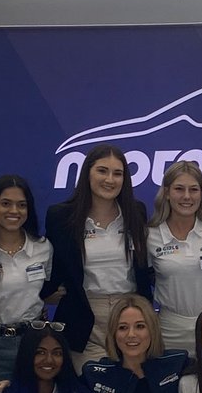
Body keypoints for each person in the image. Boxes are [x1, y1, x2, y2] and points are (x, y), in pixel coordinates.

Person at [45, 145, 151, 373]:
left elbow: (144, 267)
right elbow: (51, 264)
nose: (110, 179)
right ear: (87, 173)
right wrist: (48, 292)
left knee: (131, 387)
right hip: (85, 317)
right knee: (92, 390)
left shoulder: (136, 212)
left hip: (129, 313)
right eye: (102, 171)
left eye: (117, 173)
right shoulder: (60, 216)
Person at [0, 175, 56, 388]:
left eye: (21, 205)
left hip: (34, 341)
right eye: (6, 204)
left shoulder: (43, 248)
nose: (14, 211)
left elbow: (48, 291)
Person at [148, 161, 202, 356]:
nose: (186, 196)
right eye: (179, 189)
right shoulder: (150, 235)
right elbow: (144, 279)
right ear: (167, 192)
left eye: (193, 189)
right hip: (170, 329)